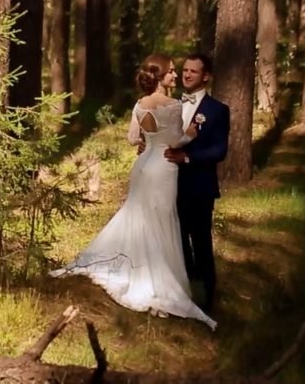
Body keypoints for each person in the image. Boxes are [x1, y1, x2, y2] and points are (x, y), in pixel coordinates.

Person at [50, 54, 216, 330]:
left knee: (138, 213)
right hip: (163, 167)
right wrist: (193, 131)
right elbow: (176, 140)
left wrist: (147, 141)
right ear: (160, 76)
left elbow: (131, 139)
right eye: (172, 72)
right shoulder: (172, 105)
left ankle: (129, 264)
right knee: (161, 218)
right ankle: (155, 277)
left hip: (142, 166)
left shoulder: (140, 104)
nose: (175, 76)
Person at [163, 53, 229, 313]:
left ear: (206, 76)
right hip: (169, 185)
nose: (187, 74)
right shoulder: (171, 105)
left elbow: (219, 151)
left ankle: (208, 297)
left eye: (194, 71)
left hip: (200, 186)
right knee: (176, 240)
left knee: (200, 241)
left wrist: (188, 157)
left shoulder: (217, 110)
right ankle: (184, 291)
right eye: (185, 70)